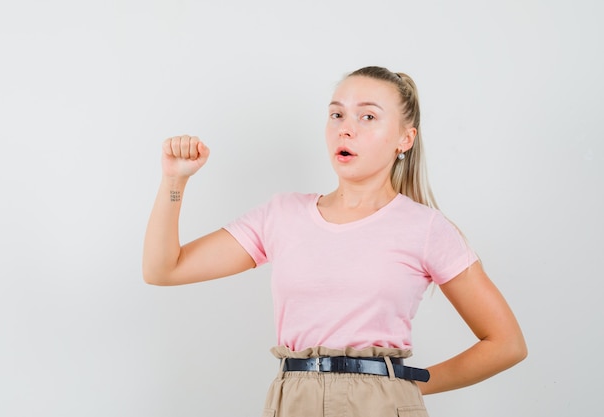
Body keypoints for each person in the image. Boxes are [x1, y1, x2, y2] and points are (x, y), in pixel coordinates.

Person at [142, 66, 527, 416]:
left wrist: (407, 385)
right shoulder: (282, 215)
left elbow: (505, 343)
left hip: (382, 402)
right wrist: (175, 181)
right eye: (337, 114)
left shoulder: (426, 228)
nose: (345, 128)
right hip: (293, 399)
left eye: (368, 117)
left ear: (404, 139)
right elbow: (164, 269)